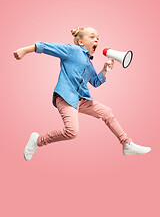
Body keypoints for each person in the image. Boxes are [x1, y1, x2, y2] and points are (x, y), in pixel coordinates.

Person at [13, 26, 151, 161]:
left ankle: (127, 144)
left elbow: (96, 82)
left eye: (98, 38)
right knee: (72, 131)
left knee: (107, 112)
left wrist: (104, 70)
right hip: (66, 96)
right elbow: (48, 47)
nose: (96, 40)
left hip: (82, 99)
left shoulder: (89, 64)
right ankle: (37, 141)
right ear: (80, 42)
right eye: (92, 37)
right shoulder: (72, 50)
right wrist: (25, 50)